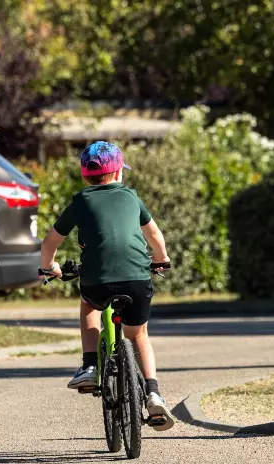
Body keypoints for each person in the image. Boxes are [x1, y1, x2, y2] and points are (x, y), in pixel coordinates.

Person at [39, 141, 174, 431]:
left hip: (97, 280)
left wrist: (49, 267)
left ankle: (89, 365)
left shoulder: (80, 202)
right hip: (137, 277)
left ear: (85, 175)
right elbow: (155, 236)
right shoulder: (131, 198)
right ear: (118, 174)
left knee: (89, 304)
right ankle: (153, 392)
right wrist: (161, 260)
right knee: (138, 335)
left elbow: (50, 242)